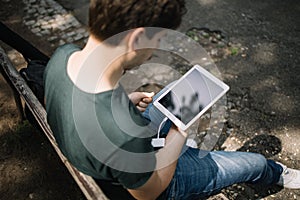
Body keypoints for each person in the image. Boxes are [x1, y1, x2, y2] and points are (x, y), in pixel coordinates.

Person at [44, 0, 300, 199]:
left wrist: (125, 101)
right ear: (136, 38)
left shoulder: (63, 57)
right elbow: (150, 192)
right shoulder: (118, 130)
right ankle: (275, 172)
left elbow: (93, 107)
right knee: (255, 163)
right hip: (157, 184)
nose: (157, 48)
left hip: (108, 151)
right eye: (159, 39)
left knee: (177, 91)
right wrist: (179, 131)